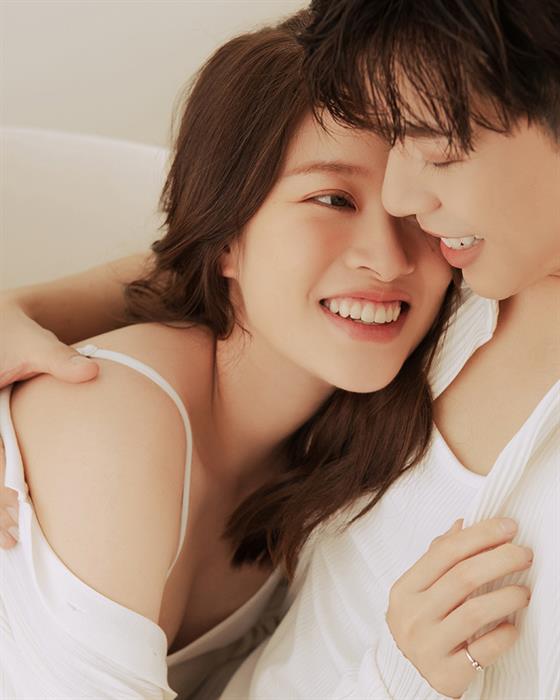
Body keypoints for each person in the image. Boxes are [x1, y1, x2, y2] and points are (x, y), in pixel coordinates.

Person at [1, 2, 557, 698]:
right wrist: (395, 681)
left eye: (413, 211)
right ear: (226, 235)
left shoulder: (329, 454)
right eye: (333, 200)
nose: (387, 258)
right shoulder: (115, 420)